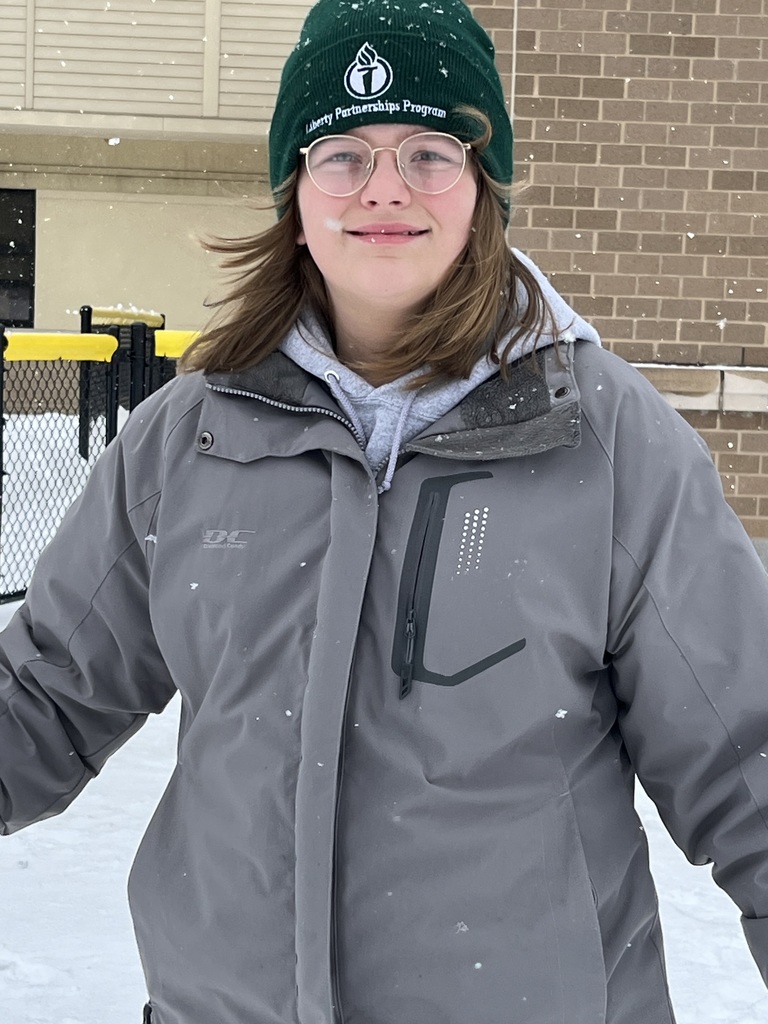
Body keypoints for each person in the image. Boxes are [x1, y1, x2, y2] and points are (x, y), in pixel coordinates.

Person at [1, 0, 768, 1021]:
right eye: (344, 154)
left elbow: (748, 764)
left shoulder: (610, 442)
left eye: (428, 150)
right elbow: (43, 699)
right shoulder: (186, 439)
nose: (384, 190)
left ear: (482, 184)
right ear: (296, 190)